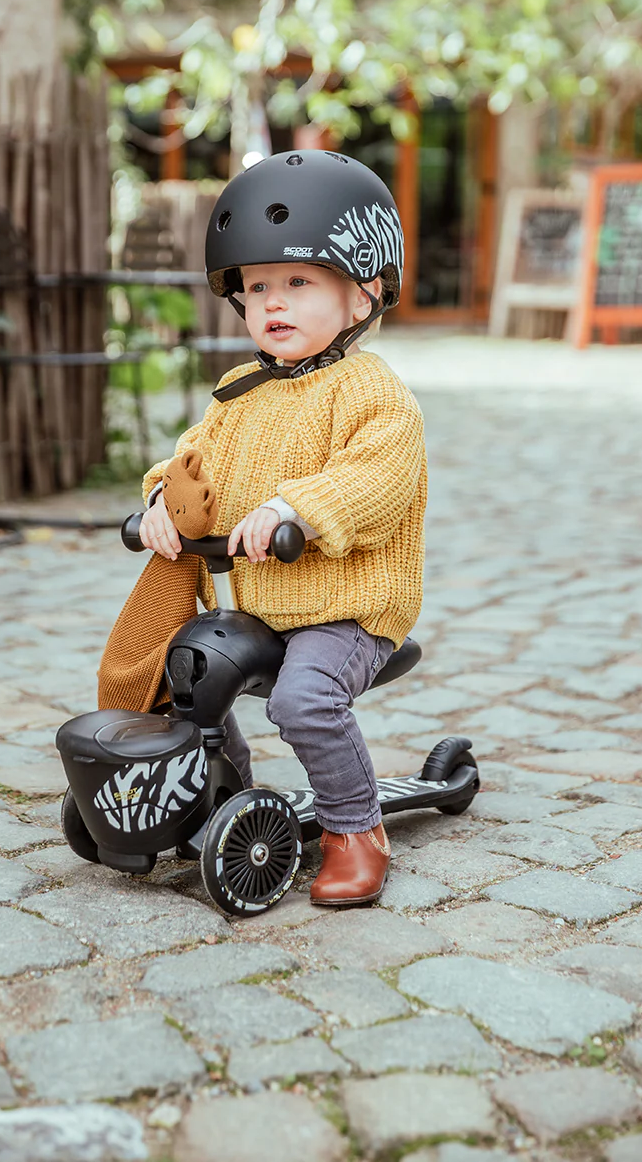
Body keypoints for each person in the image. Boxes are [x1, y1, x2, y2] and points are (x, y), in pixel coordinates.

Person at [139, 150, 426, 906]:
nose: (274, 301)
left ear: (362, 295)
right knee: (184, 676)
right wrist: (164, 501)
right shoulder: (241, 390)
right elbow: (191, 461)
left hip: (348, 610)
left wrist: (293, 508)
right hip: (261, 607)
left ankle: (356, 829)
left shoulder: (373, 392)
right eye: (259, 285)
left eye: (299, 282)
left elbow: (376, 480)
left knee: (302, 700)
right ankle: (224, 796)